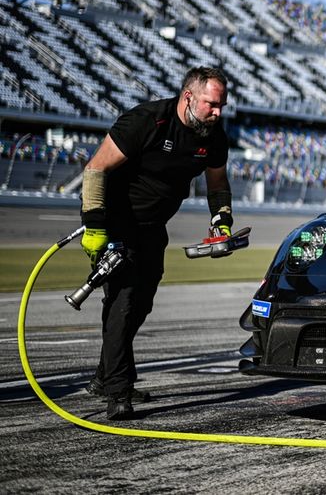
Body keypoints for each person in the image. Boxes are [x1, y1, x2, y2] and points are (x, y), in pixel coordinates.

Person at [80, 67, 233, 420]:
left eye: (222, 105)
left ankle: (106, 376)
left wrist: (221, 220)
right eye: (211, 105)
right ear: (188, 97)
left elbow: (218, 183)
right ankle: (118, 391)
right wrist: (94, 227)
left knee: (141, 304)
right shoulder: (146, 121)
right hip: (114, 220)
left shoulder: (213, 135)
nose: (218, 113)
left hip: (152, 226)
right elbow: (95, 170)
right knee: (124, 299)